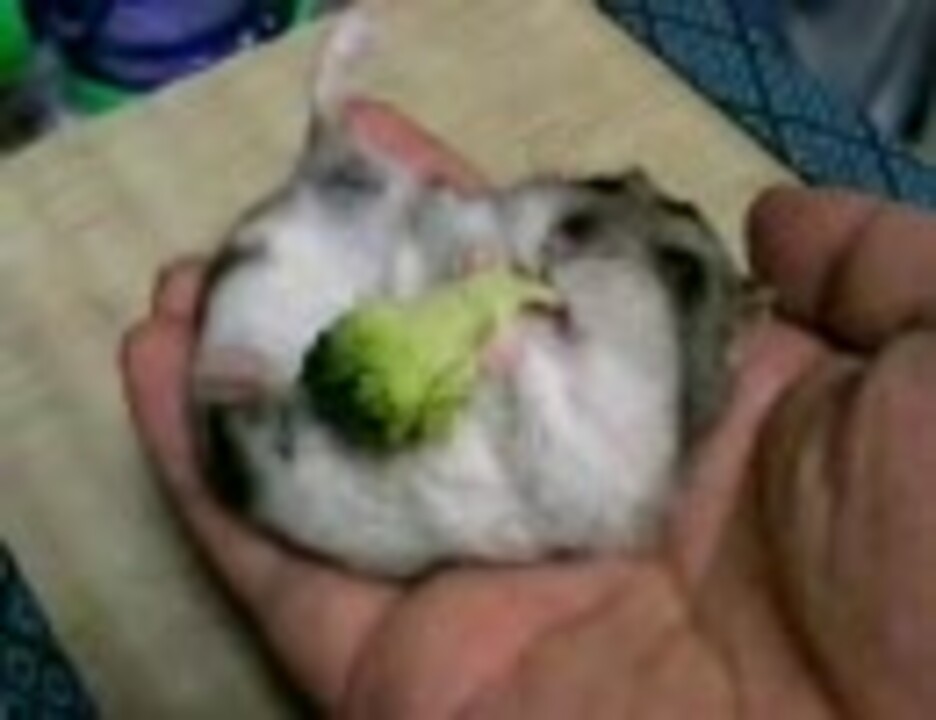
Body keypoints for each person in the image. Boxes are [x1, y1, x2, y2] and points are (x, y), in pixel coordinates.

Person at [121, 99, 936, 719]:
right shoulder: (596, 414)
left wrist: (500, 339)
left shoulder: (612, 472)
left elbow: (557, 456)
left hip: (347, 447)